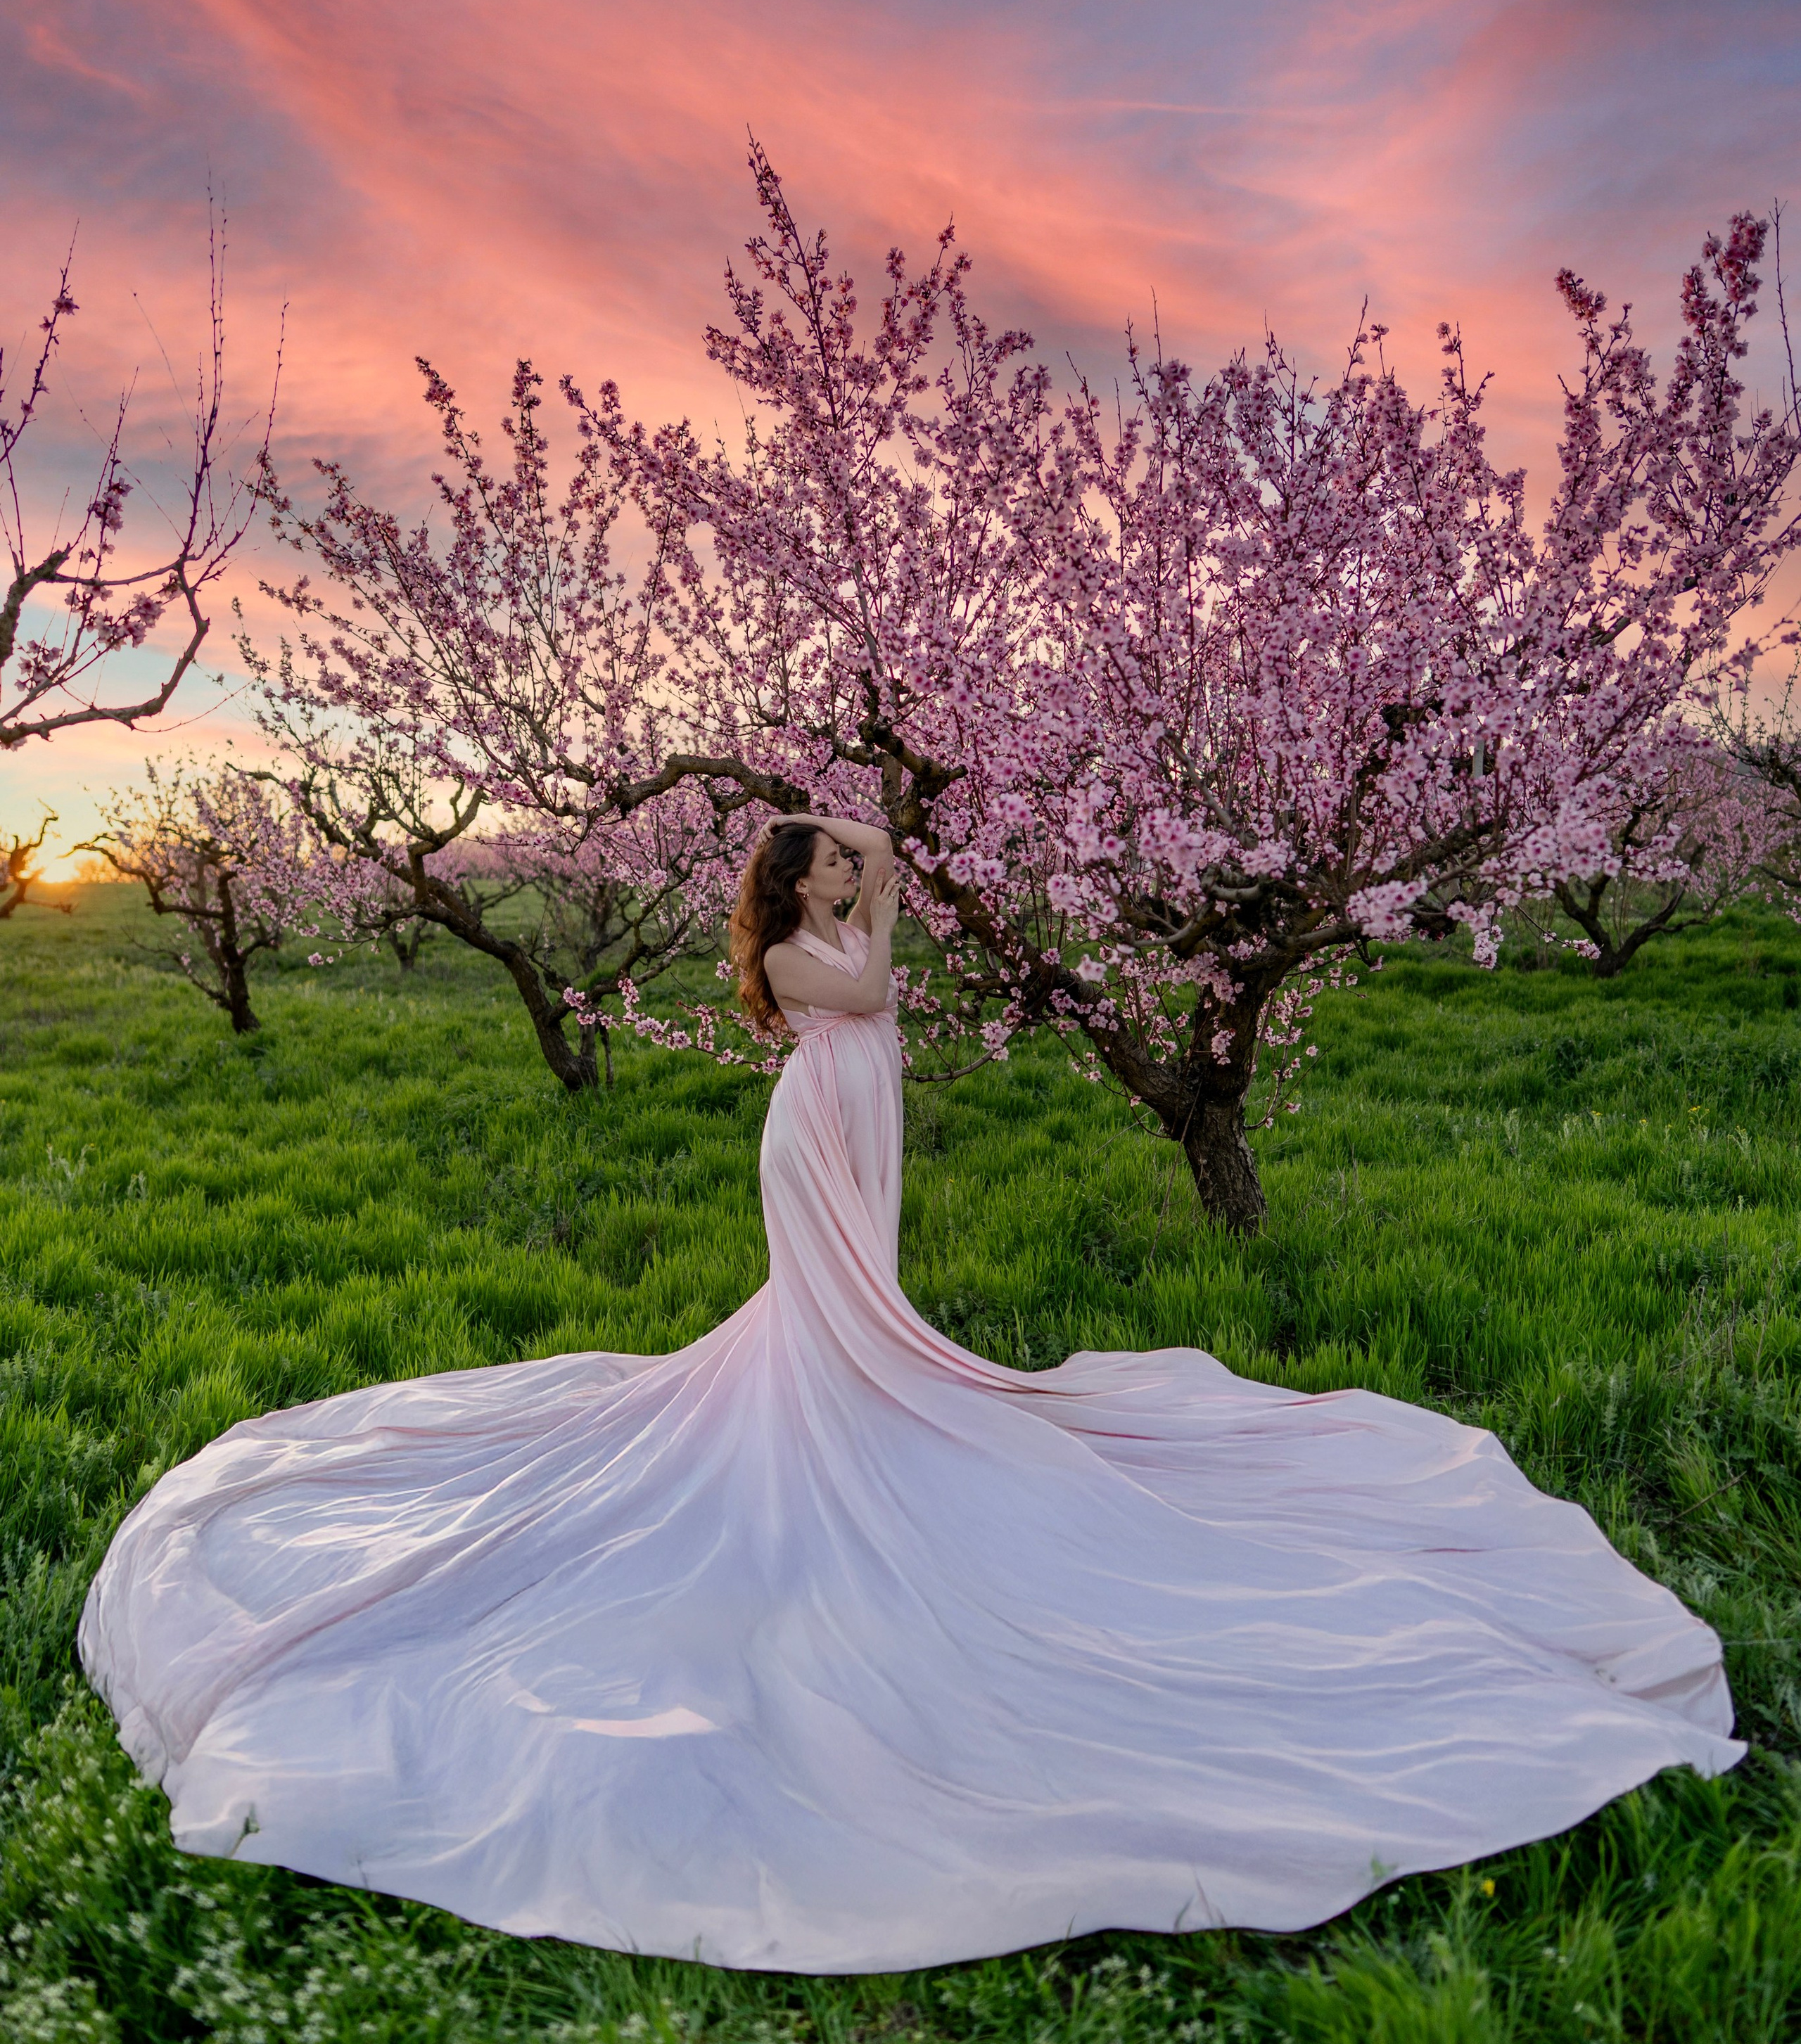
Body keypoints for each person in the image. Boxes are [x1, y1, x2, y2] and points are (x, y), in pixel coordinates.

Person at [79, 817, 1743, 1975]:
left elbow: (891, 942)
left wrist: (875, 861)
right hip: (812, 1139)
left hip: (861, 1132)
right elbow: (870, 994)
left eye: (830, 865)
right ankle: (841, 1400)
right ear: (785, 891)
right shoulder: (805, 962)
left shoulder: (835, 923)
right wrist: (863, 897)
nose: (833, 881)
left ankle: (866, 1373)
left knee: (868, 1309)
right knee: (819, 1333)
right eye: (811, 869)